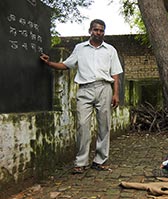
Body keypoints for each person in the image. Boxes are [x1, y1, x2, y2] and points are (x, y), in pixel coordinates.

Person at [40, 19, 123, 174]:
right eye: (96, 30)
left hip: (104, 88)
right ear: (90, 31)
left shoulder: (110, 50)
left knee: (104, 126)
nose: (99, 33)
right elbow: (66, 65)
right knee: (82, 126)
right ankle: (81, 162)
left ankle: (100, 160)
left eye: (101, 30)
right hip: (84, 90)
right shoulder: (80, 48)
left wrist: (116, 93)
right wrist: (49, 63)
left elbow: (115, 73)